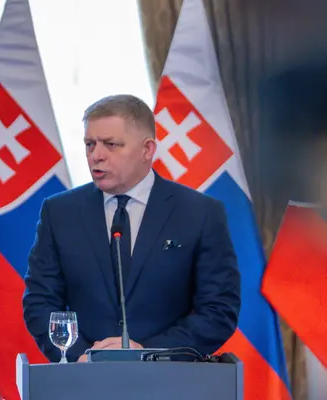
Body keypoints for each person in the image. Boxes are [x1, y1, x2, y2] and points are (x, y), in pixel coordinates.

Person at [22, 94, 241, 362]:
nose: (96, 156)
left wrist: (147, 354)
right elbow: (40, 303)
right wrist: (82, 357)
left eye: (111, 144)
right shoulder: (59, 212)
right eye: (90, 144)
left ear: (147, 149)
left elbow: (218, 310)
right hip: (85, 376)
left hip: (169, 377)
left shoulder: (199, 212)